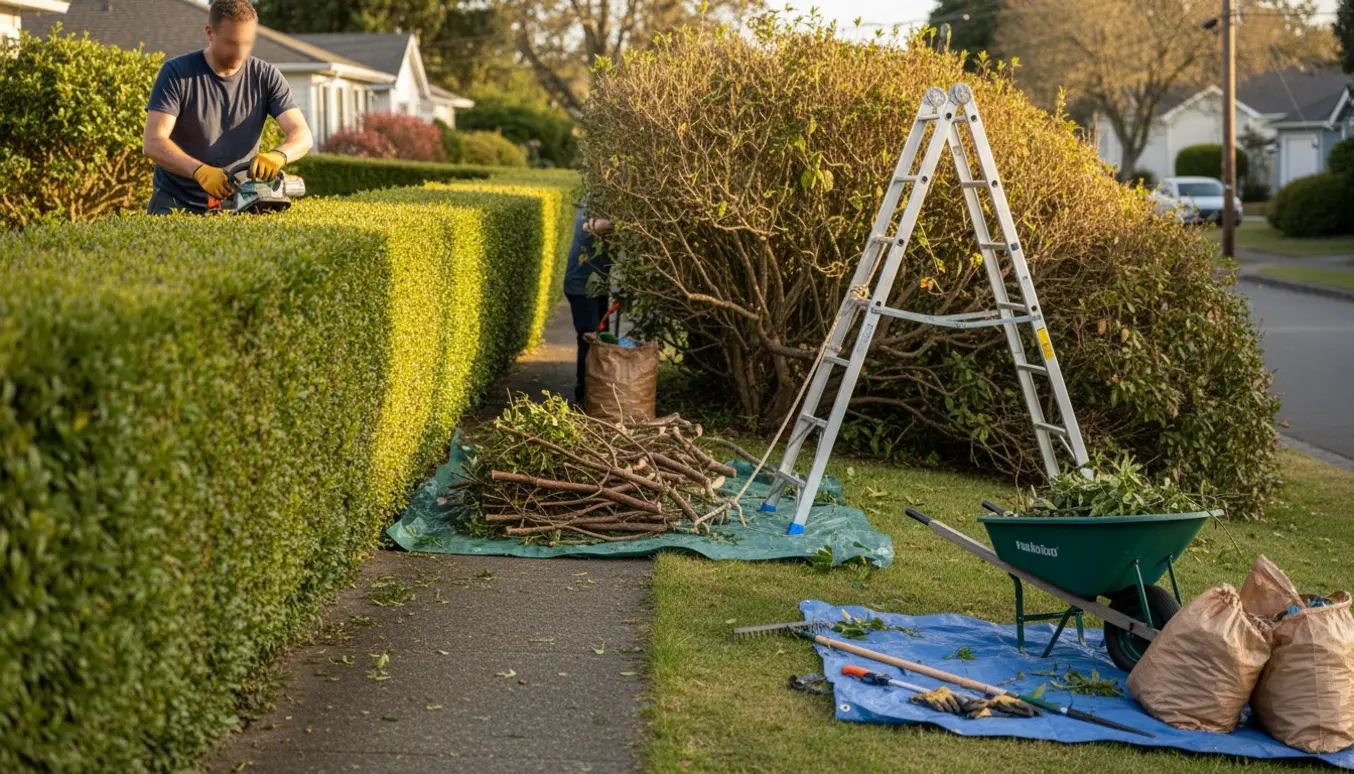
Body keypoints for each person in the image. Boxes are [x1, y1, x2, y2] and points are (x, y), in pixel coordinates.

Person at [141, 0, 313, 214]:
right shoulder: (177, 74)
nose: (240, 51)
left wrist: (279, 155)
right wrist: (199, 171)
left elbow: (302, 135)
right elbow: (153, 142)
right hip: (175, 204)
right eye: (231, 43)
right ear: (210, 33)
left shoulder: (266, 76)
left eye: (247, 43)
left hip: (240, 204)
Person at [563, 204, 615, 407]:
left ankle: (597, 395)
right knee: (590, 341)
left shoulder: (602, 201)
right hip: (582, 287)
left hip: (597, 285)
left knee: (601, 340)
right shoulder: (591, 202)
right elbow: (590, 226)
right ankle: (583, 398)